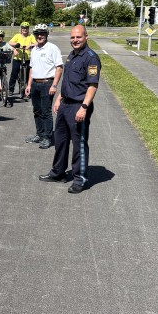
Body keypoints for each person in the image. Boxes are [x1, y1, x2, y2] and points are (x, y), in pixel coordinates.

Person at [39, 25, 101, 193]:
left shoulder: (91, 58)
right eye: (72, 37)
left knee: (79, 144)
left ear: (86, 37)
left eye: (78, 37)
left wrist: (84, 107)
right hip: (65, 104)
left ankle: (79, 178)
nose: (75, 40)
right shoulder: (72, 56)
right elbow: (67, 81)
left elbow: (92, 85)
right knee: (60, 141)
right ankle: (58, 173)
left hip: (78, 106)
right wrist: (59, 98)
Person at [24, 23, 63, 149]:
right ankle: (39, 134)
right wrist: (29, 84)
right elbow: (31, 69)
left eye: (42, 34)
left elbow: (59, 68)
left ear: (47, 35)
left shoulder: (53, 48)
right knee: (37, 111)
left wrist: (54, 85)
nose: (39, 36)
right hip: (35, 83)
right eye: (37, 34)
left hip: (47, 84)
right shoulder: (34, 49)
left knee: (46, 111)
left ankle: (47, 137)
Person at [7, 22, 36, 104]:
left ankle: (28, 91)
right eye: (23, 28)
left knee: (28, 75)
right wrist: (16, 45)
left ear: (28, 29)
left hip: (27, 58)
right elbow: (10, 42)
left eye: (26, 28)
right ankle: (11, 90)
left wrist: (30, 45)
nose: (25, 29)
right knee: (14, 73)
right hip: (18, 58)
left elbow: (36, 43)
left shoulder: (31, 36)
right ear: (21, 29)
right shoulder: (17, 36)